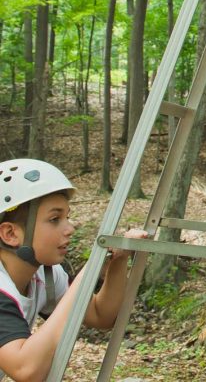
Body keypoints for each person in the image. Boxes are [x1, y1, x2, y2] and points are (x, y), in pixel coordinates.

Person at [0, 159, 146, 381]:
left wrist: (117, 259)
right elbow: (26, 370)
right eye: (54, 219)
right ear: (10, 234)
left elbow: (100, 315)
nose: (70, 228)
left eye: (67, 217)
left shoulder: (45, 275)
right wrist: (89, 271)